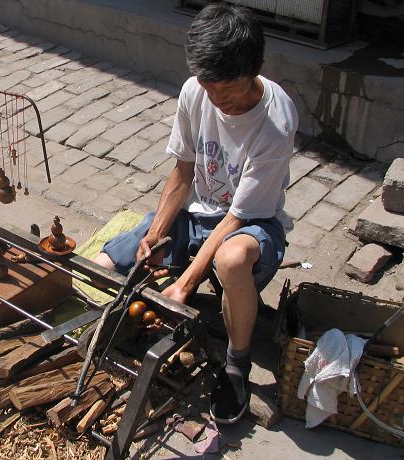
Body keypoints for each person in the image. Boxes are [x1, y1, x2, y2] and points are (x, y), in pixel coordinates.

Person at [93, 3, 298, 424]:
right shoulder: (195, 92)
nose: (217, 99)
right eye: (209, 86)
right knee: (109, 261)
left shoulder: (275, 121)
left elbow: (238, 216)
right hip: (199, 214)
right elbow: (183, 171)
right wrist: (157, 233)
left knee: (231, 259)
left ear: (253, 69)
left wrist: (185, 284)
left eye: (228, 89)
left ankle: (237, 364)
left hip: (252, 225)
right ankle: (97, 328)